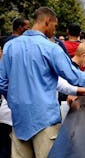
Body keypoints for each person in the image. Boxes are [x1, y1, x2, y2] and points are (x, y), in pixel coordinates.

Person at [0, 7, 85, 158]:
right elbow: (74, 77)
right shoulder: (51, 48)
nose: (55, 31)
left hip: (18, 122)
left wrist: (15, 104)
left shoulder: (10, 46)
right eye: (55, 26)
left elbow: (2, 83)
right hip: (44, 121)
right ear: (47, 21)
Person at [0, 17, 30, 158]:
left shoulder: (6, 42)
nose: (29, 30)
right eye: (27, 27)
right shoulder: (16, 44)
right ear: (19, 27)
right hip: (12, 112)